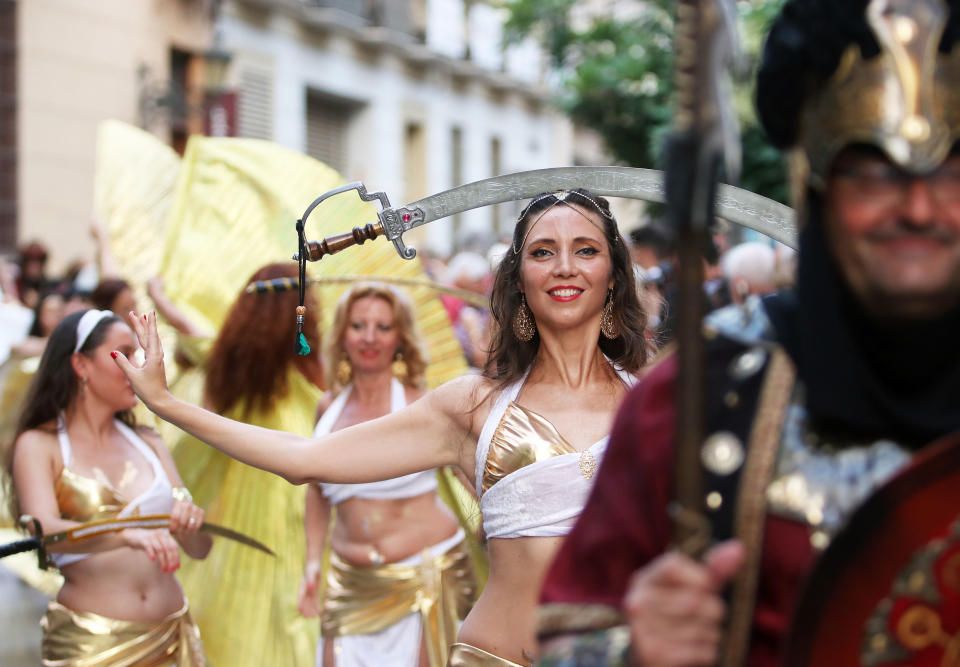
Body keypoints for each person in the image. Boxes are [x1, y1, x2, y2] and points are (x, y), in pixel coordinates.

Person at [534, 1, 960, 665]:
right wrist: (635, 651)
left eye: (951, 175)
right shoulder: (701, 398)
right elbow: (565, 638)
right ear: (818, 189)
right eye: (874, 175)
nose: (919, 209)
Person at [112, 188, 649, 665]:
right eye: (541, 251)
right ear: (520, 282)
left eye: (585, 249)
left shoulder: (652, 403)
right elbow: (304, 460)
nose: (564, 266)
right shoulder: (471, 407)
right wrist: (166, 404)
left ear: (613, 276)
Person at [5, 309, 212, 665]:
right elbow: (46, 533)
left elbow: (200, 548)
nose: (137, 365)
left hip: (173, 637)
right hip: (94, 644)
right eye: (124, 354)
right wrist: (125, 533)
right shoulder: (40, 445)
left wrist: (190, 522)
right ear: (81, 365)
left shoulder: (148, 440)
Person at [299, 282, 475, 667]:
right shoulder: (327, 408)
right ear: (343, 334)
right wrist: (313, 561)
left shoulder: (420, 405)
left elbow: (470, 473)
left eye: (383, 327)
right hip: (350, 583)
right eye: (359, 325)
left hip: (427, 575)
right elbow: (316, 490)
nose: (370, 337)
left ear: (400, 338)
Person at [169, 262, 326, 667]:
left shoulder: (231, 373)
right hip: (290, 521)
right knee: (290, 624)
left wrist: (159, 296)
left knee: (240, 620)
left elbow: (192, 333)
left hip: (247, 522)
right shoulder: (310, 380)